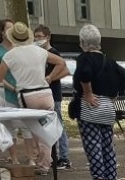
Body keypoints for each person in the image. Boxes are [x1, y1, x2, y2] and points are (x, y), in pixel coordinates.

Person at [0, 22, 67, 174]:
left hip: (27, 94)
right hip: (45, 92)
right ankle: (45, 162)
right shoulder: (39, 51)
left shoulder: (9, 55)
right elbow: (61, 63)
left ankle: (42, 160)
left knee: (34, 129)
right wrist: (49, 77)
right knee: (46, 128)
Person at [76, 24, 125, 180]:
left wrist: (89, 93)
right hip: (108, 106)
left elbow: (84, 74)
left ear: (83, 42)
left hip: (90, 106)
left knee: (93, 144)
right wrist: (116, 93)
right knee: (107, 144)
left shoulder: (84, 58)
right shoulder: (110, 60)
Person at [0, 18, 37, 166]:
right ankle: (14, 158)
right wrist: (13, 88)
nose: (11, 31)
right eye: (8, 28)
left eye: (13, 28)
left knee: (27, 127)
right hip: (8, 93)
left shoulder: (22, 48)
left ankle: (31, 158)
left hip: (25, 93)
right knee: (10, 128)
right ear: (1, 32)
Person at [34, 24, 72, 170]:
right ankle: (51, 156)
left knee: (58, 125)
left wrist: (50, 78)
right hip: (41, 94)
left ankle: (64, 157)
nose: (37, 39)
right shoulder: (37, 53)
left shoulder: (52, 52)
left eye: (40, 37)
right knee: (45, 127)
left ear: (47, 37)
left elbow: (65, 70)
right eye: (35, 37)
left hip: (53, 93)